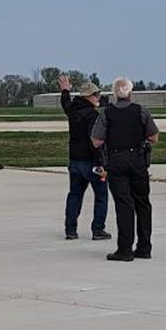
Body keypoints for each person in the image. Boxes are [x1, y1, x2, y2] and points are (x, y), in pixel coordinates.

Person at [91, 78, 158, 261]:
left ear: (114, 93)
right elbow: (153, 136)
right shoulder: (141, 111)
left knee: (124, 204)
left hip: (117, 160)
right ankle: (144, 247)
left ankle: (125, 248)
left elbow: (96, 140)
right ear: (130, 92)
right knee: (143, 203)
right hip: (138, 160)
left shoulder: (107, 113)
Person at [60, 75, 111, 241]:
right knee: (101, 195)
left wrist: (65, 90)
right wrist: (101, 164)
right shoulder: (92, 115)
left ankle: (70, 229)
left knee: (74, 194)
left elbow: (65, 103)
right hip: (90, 161)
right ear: (88, 96)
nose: (98, 97)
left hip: (74, 160)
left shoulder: (73, 110)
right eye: (96, 95)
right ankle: (98, 230)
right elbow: (94, 142)